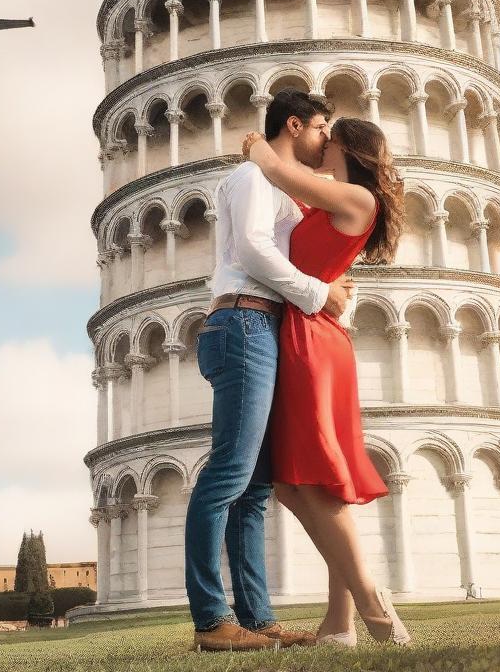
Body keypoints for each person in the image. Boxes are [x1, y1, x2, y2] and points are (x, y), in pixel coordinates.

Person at [184, 89, 354, 652]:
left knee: (253, 489)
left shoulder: (273, 179)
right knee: (228, 476)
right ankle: (212, 620)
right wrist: (317, 295)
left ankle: (255, 620)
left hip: (258, 327)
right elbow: (255, 251)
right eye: (322, 127)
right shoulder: (250, 181)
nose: (326, 138)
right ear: (295, 123)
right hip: (242, 325)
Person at [243, 115, 411, 646]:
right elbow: (317, 257)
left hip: (312, 340)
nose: (321, 143)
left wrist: (257, 147)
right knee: (299, 483)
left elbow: (278, 171)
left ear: (344, 146)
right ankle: (340, 622)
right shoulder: (336, 201)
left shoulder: (358, 198)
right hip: (306, 329)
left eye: (327, 135)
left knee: (310, 481)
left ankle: (372, 606)